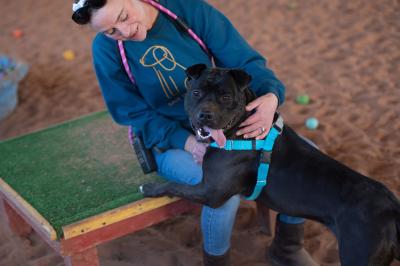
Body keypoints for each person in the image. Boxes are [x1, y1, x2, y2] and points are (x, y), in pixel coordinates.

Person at [71, 0, 318, 265]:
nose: (125, 31)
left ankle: (288, 247)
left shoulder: (185, 10)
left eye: (123, 16)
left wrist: (270, 95)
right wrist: (189, 143)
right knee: (223, 192)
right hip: (169, 139)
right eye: (111, 31)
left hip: (225, 123)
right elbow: (133, 114)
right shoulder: (106, 50)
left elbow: (245, 61)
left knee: (306, 158)